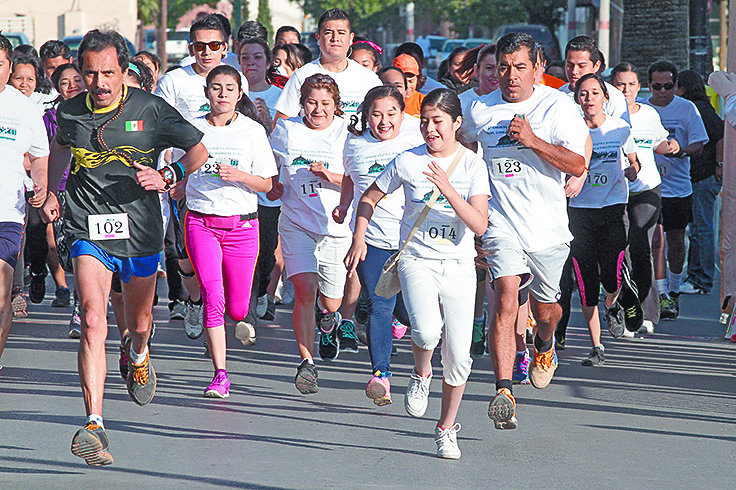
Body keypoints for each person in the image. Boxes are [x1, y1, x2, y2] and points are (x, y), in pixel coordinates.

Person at [41, 29, 208, 466]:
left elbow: (198, 151)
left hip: (139, 229)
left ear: (123, 70)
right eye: (90, 74)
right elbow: (60, 148)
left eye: (108, 73)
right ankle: (94, 423)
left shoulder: (150, 109)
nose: (99, 83)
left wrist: (168, 176)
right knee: (93, 318)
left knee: (140, 322)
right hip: (87, 226)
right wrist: (54, 190)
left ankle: (138, 352)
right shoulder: (69, 111)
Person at [346, 89, 490, 459]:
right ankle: (422, 372)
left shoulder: (472, 165)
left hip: (459, 266)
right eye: (424, 121)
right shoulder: (407, 161)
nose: (430, 129)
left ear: (456, 123)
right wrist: (359, 236)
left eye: (438, 121)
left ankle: (446, 428)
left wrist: (448, 189)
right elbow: (369, 197)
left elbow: (479, 224)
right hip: (416, 259)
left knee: (459, 358)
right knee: (426, 331)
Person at [463, 33, 587, 429]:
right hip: (500, 223)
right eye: (503, 67)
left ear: (537, 68)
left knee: (545, 311)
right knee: (505, 298)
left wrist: (533, 141)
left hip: (547, 229)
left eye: (520, 67)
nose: (510, 75)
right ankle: (503, 390)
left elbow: (577, 164)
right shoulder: (479, 108)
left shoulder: (557, 106)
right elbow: (456, 142)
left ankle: (544, 342)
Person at [180, 65, 276, 398]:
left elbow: (267, 184)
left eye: (229, 88)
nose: (222, 94)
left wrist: (239, 177)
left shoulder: (252, 131)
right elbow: (178, 167)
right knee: (213, 298)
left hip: (242, 226)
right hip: (201, 222)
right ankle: (220, 375)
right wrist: (175, 183)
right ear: (206, 92)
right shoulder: (191, 128)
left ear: (240, 94)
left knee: (237, 309)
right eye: (216, 88)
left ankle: (234, 320)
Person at [157, 14, 246, 342]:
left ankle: (213, 312)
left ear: (225, 47)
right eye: (199, 46)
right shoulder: (174, 81)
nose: (206, 51)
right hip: (185, 178)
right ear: (190, 47)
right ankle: (195, 299)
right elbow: (160, 128)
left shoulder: (236, 78)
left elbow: (243, 127)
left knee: (216, 257)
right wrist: (170, 170)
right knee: (182, 254)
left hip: (225, 181)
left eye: (213, 45)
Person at [336, 86, 423, 405]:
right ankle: (381, 375)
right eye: (376, 114)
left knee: (411, 313)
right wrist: (345, 205)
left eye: (391, 114)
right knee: (378, 306)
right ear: (366, 116)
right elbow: (349, 176)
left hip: (413, 242)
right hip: (371, 239)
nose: (384, 121)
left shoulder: (417, 138)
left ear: (403, 114)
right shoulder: (355, 143)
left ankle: (403, 320)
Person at [269, 73, 353, 393]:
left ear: (336, 105)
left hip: (336, 225)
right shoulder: (285, 131)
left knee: (331, 302)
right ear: (302, 104)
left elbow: (358, 180)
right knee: (304, 289)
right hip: (296, 222)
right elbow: (270, 169)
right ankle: (307, 362)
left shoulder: (347, 133)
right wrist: (274, 187)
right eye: (312, 103)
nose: (318, 110)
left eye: (325, 103)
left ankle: (327, 317)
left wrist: (328, 176)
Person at [566, 73, 641, 365]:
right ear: (577, 99)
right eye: (583, 94)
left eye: (595, 93)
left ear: (605, 97)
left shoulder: (620, 128)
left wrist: (633, 170)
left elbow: (634, 160)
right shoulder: (570, 132)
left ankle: (612, 304)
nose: (589, 99)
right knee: (586, 280)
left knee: (611, 273)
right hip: (580, 211)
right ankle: (597, 346)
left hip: (612, 208)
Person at [611, 62, 680, 334]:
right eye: (620, 84)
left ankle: (647, 311)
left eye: (631, 84)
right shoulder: (605, 116)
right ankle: (622, 311)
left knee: (641, 248)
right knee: (620, 252)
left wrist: (671, 146)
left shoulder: (649, 114)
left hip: (647, 189)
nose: (626, 89)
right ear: (611, 87)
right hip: (614, 192)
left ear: (639, 87)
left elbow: (658, 143)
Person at [643, 60, 708, 319]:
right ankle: (661, 295)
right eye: (657, 86)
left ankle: (674, 288)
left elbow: (699, 145)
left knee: (677, 241)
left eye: (668, 86)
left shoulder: (687, 108)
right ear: (649, 86)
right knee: (656, 241)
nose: (662, 91)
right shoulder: (642, 109)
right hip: (649, 185)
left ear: (676, 85)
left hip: (678, 187)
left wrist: (680, 151)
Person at [0, 32, 50, 369]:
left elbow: (41, 154)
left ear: (9, 66)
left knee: (1, 293)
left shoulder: (23, 108)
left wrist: (41, 185)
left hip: (7, 212)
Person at [238, 37, 284, 322]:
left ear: (268, 63)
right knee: (244, 251)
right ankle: (245, 304)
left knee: (267, 250)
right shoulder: (231, 92)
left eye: (257, 57)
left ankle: (264, 290)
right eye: (245, 57)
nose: (251, 63)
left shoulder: (281, 97)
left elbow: (288, 143)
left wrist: (269, 124)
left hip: (270, 185)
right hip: (238, 186)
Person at [274, 8, 381, 122]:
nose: (335, 39)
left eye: (341, 33)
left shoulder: (369, 78)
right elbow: (281, 124)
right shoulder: (302, 76)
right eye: (328, 33)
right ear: (318, 38)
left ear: (350, 38)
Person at [677, 70, 724, 296]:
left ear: (683, 88)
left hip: (703, 175)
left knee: (701, 229)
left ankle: (701, 280)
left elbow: (721, 135)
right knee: (697, 228)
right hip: (697, 175)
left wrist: (719, 164)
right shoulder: (697, 108)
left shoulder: (700, 109)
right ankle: (696, 277)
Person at [559, 36, 629, 124]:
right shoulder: (559, 95)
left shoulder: (614, 97)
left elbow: (621, 129)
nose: (574, 71)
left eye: (581, 66)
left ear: (596, 66)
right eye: (570, 65)